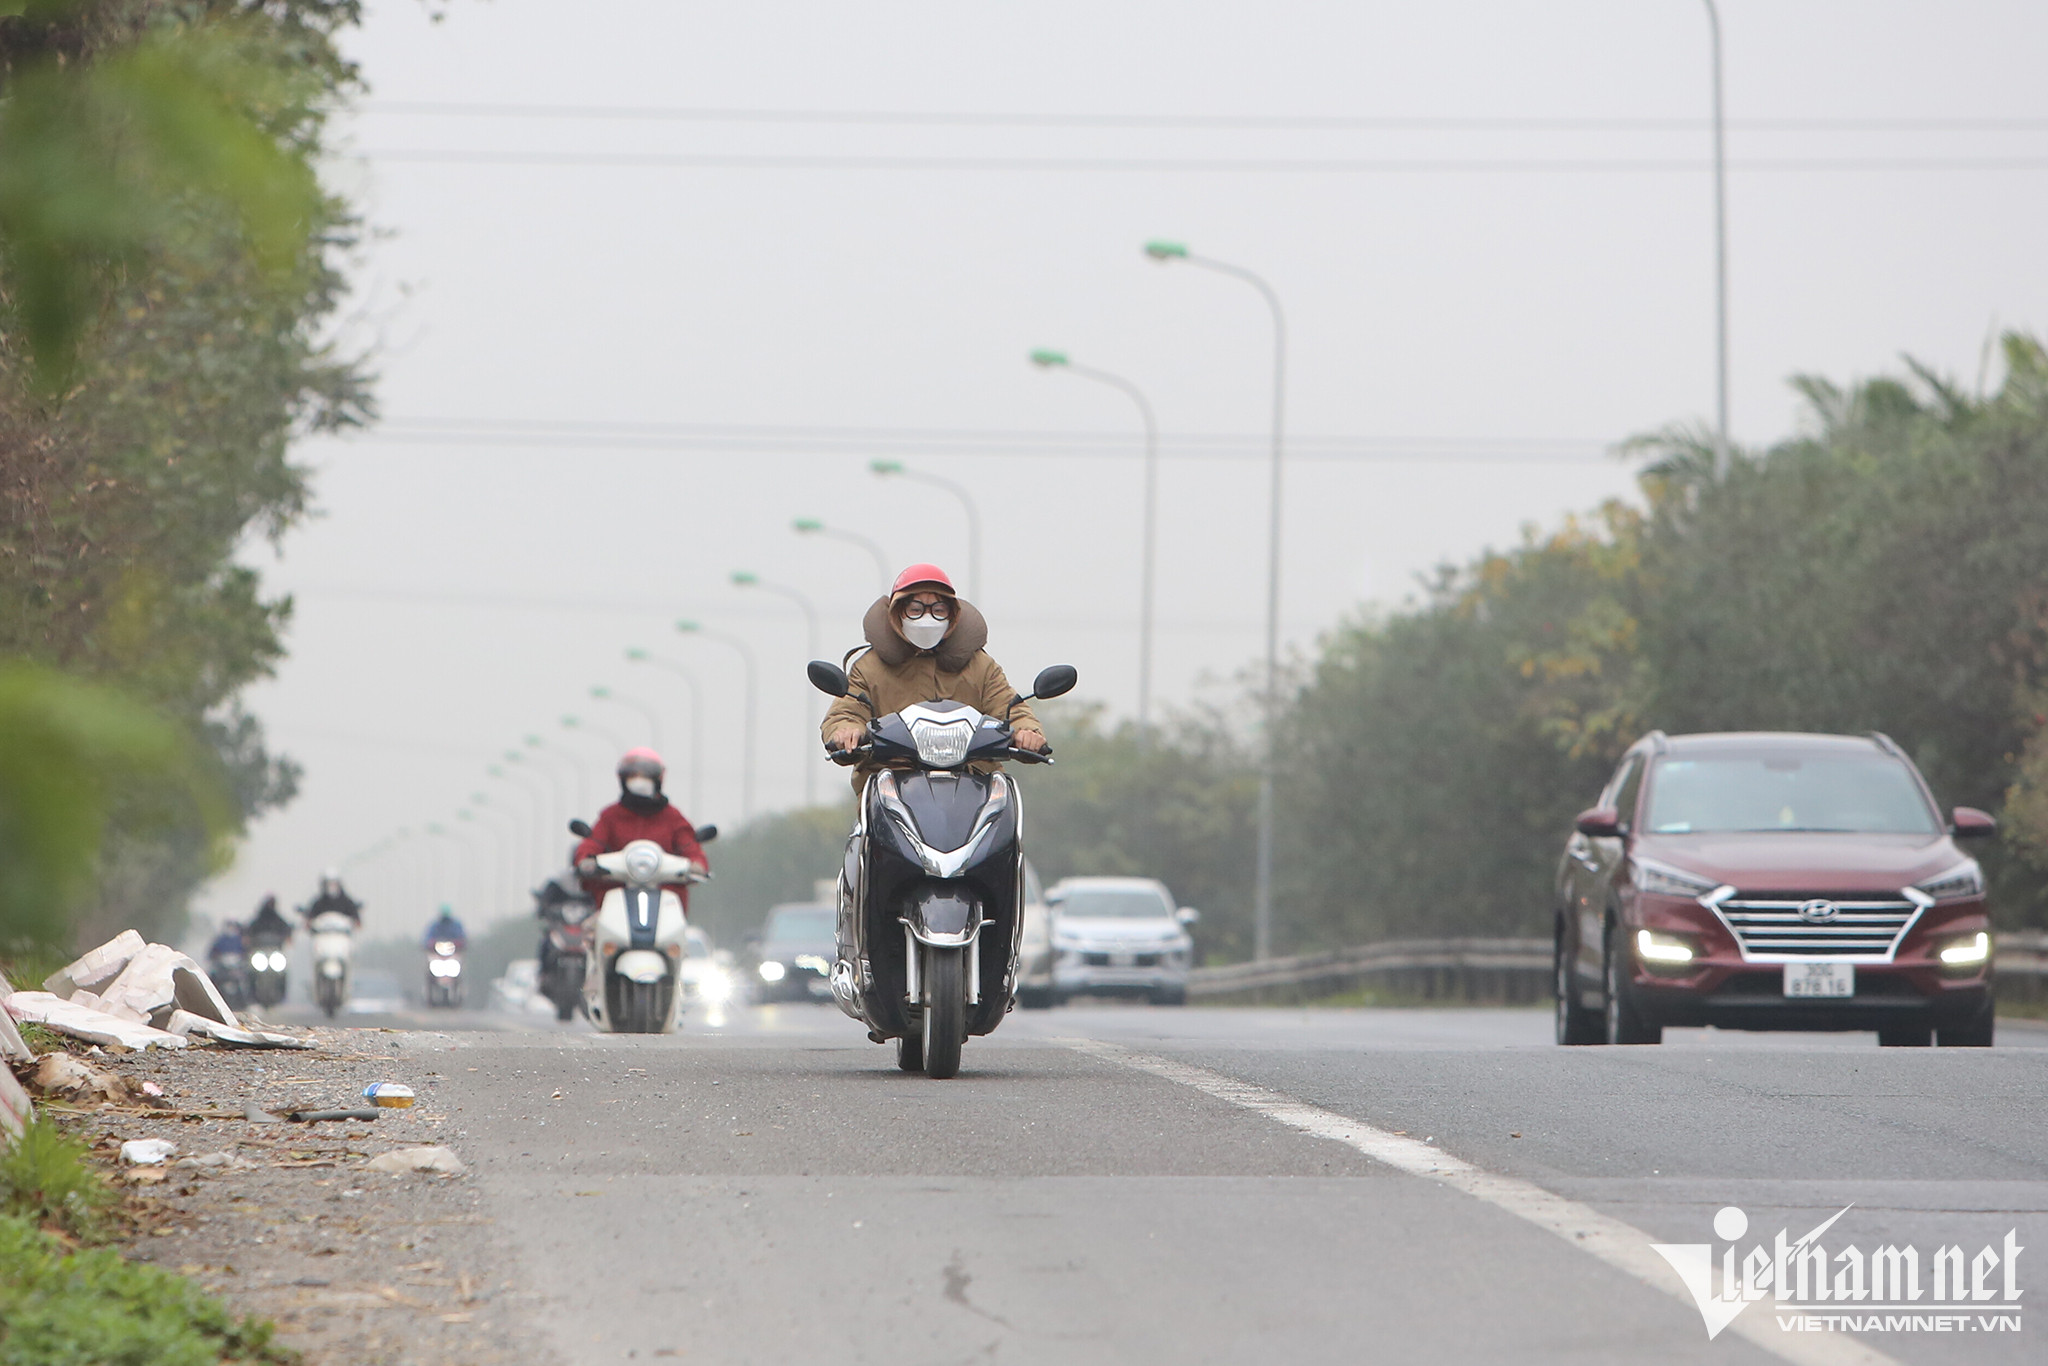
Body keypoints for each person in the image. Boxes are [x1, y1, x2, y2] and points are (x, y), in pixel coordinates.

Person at [822, 563, 1046, 789]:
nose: (927, 618)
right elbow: (846, 712)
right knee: (872, 810)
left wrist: (1026, 732)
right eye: (915, 609)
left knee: (1003, 807)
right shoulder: (870, 667)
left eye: (938, 610)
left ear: (953, 615)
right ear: (897, 613)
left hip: (974, 783)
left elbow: (1009, 708)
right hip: (891, 784)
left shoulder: (980, 666)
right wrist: (847, 732)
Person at [574, 748, 708, 908]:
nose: (639, 780)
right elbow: (593, 843)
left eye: (645, 776)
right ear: (623, 779)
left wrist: (697, 864)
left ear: (658, 779)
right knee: (592, 923)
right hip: (616, 900)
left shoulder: (673, 817)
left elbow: (690, 847)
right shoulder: (611, 816)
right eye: (633, 776)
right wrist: (585, 860)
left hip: (666, 901)